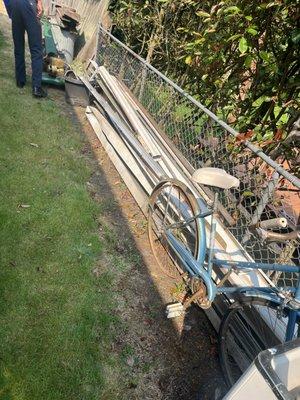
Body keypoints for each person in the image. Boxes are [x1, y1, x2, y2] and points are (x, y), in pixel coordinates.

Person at [3, 0, 47, 98]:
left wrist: (11, 9)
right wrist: (39, 2)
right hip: (29, 4)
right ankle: (36, 88)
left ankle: (20, 81)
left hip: (14, 4)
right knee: (36, 49)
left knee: (18, 45)